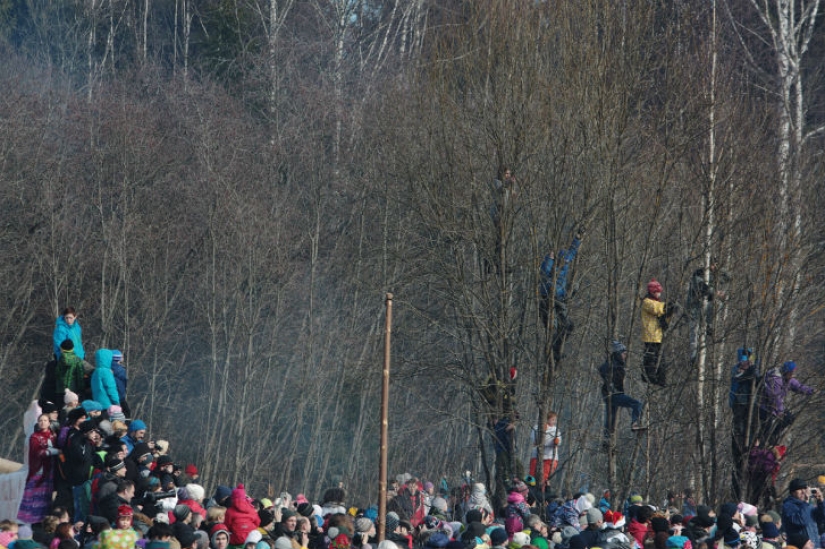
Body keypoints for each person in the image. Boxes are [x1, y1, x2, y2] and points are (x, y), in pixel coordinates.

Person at [539, 232, 582, 364]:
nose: (565, 263)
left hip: (559, 300)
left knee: (567, 326)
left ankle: (556, 351)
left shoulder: (565, 260)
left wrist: (577, 239)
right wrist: (550, 257)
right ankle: (550, 355)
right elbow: (544, 272)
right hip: (548, 300)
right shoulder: (550, 264)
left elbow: (572, 252)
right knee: (554, 328)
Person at [760, 361, 816, 444]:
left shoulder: (788, 379)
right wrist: (780, 411)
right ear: (786, 372)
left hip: (775, 408)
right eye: (791, 373)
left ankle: (773, 435)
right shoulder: (776, 379)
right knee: (766, 429)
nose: (792, 375)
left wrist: (811, 391)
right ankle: (767, 440)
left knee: (789, 418)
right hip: (766, 407)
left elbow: (799, 387)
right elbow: (775, 398)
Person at [599, 341, 645, 441]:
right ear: (619, 353)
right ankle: (634, 424)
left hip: (611, 394)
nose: (625, 356)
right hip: (614, 394)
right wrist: (610, 381)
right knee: (637, 404)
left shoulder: (618, 363)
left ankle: (607, 439)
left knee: (611, 418)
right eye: (624, 353)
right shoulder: (613, 363)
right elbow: (602, 369)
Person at [18, 413, 59, 524]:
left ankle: (43, 519)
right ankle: (31, 519)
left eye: (45, 420)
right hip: (38, 470)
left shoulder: (53, 436)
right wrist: (53, 451)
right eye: (40, 420)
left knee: (46, 495)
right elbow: (37, 452)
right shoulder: (35, 437)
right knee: (34, 494)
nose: (42, 422)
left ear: (49, 422)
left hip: (50, 470)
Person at [729, 348, 759, 499]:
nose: (746, 364)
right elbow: (740, 377)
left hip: (749, 402)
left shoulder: (752, 369)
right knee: (740, 427)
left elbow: (756, 378)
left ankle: (751, 443)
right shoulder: (737, 370)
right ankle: (742, 445)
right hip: (739, 402)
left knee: (752, 425)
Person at [685, 260, 730, 363]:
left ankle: (709, 325)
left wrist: (720, 270)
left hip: (705, 307)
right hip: (694, 308)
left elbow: (728, 277)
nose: (713, 267)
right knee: (694, 334)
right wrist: (716, 292)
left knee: (717, 304)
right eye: (713, 264)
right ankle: (693, 358)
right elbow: (703, 288)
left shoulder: (714, 276)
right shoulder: (698, 274)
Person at [640, 279, 676, 387]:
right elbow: (657, 309)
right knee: (650, 358)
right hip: (650, 335)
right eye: (657, 292)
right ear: (652, 292)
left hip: (658, 335)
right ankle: (649, 377)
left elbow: (663, 316)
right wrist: (666, 306)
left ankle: (661, 379)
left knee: (660, 358)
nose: (659, 294)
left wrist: (670, 312)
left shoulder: (657, 303)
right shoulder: (647, 302)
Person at [782, 478, 825, 548]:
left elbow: (821, 518)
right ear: (792, 492)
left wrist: (821, 501)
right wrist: (806, 502)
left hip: (814, 545)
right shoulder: (788, 506)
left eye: (804, 489)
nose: (803, 492)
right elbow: (801, 521)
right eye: (799, 489)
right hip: (798, 546)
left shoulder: (808, 505)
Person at [529, 411, 561, 486]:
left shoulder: (556, 430)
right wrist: (543, 432)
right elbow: (535, 439)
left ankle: (542, 490)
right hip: (536, 455)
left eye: (555, 420)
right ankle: (530, 489)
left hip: (550, 457)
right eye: (553, 419)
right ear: (547, 419)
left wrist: (556, 441)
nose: (554, 422)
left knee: (545, 477)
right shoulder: (537, 427)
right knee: (532, 474)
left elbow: (558, 441)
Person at [110, 351, 130, 418]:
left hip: (112, 396)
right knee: (126, 413)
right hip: (119, 396)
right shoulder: (120, 370)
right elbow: (123, 382)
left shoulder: (109, 367)